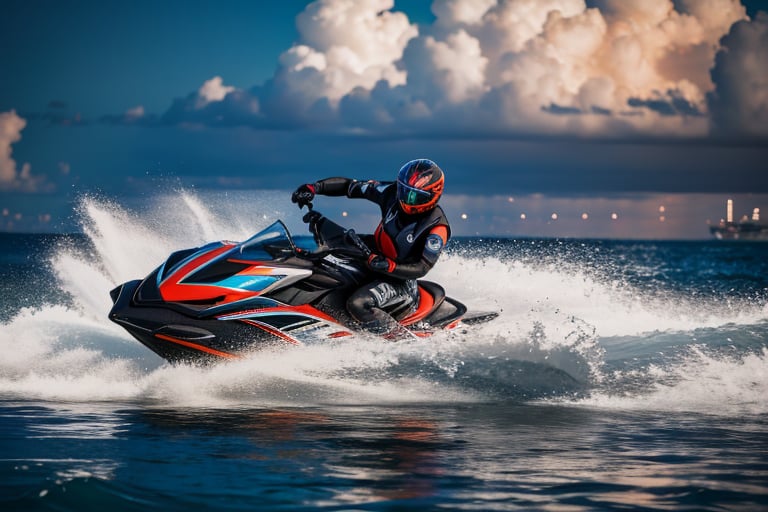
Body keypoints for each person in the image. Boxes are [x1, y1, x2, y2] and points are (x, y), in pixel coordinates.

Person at [291, 159, 450, 337]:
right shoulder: (391, 192)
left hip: (400, 280)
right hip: (373, 258)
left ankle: (399, 341)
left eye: (415, 196)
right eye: (404, 191)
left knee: (358, 304)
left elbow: (421, 268)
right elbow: (350, 186)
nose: (407, 200)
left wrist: (388, 266)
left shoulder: (437, 228)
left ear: (433, 195)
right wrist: (314, 188)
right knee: (319, 262)